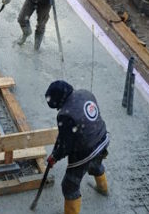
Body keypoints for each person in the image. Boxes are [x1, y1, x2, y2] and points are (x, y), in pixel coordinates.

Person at [45, 80, 110, 214]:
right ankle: (103, 189)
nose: (59, 110)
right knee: (96, 164)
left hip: (87, 150)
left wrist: (55, 157)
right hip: (103, 139)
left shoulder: (65, 115)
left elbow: (66, 146)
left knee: (69, 186)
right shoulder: (85, 94)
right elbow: (83, 125)